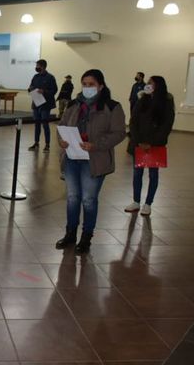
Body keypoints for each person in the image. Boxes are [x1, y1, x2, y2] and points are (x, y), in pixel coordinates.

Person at [56, 69, 126, 254]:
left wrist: (96, 145)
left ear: (100, 86)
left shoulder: (112, 107)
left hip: (95, 159)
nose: (87, 88)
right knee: (72, 198)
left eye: (91, 84)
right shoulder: (73, 104)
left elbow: (119, 133)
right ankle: (70, 234)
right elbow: (62, 125)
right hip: (72, 157)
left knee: (88, 200)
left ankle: (86, 237)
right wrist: (61, 139)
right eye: (84, 84)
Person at [125, 76, 175, 216]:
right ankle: (136, 201)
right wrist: (138, 140)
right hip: (139, 143)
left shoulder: (166, 102)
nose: (148, 85)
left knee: (153, 174)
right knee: (137, 173)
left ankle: (148, 203)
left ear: (159, 86)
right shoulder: (142, 100)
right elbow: (133, 121)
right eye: (148, 83)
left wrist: (151, 142)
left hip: (155, 144)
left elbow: (167, 125)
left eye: (151, 84)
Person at [28, 59, 58, 152]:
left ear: (43, 66)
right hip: (36, 103)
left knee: (45, 124)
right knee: (37, 124)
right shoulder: (35, 76)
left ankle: (47, 145)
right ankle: (36, 143)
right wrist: (30, 89)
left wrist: (44, 91)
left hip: (45, 104)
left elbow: (54, 90)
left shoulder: (50, 77)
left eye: (38, 65)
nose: (36, 67)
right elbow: (31, 86)